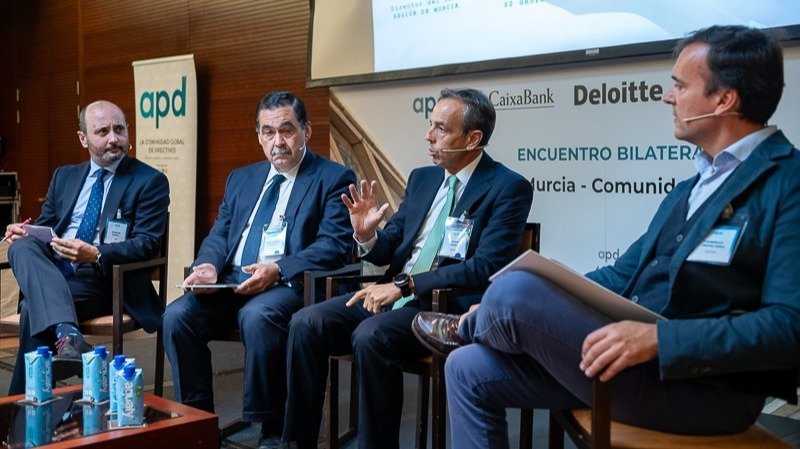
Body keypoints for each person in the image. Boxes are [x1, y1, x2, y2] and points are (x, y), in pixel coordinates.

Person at [413, 25, 800, 448]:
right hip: (633, 365)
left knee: (515, 293)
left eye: (680, 86)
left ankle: (479, 324)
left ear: (724, 100)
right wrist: (552, 289)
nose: (668, 97)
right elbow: (622, 274)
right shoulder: (692, 187)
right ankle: (481, 325)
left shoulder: (788, 182)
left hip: (701, 388)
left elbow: (789, 326)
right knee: (469, 364)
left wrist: (659, 338)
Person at [282, 88, 534, 449]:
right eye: (430, 124)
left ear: (473, 138)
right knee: (306, 323)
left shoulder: (508, 188)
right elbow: (393, 247)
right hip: (392, 293)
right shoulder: (423, 178)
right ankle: (297, 442)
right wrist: (367, 236)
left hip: (443, 307)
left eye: (441, 129)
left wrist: (406, 284)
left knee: (371, 336)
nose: (428, 136)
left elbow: (484, 267)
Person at [162, 91, 356, 448]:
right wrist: (207, 266)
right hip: (232, 281)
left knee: (258, 315)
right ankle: (199, 423)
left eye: (287, 130)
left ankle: (271, 429)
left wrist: (278, 269)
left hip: (290, 285)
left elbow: (333, 247)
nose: (278, 141)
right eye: (268, 132)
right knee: (177, 317)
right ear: (259, 136)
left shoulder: (333, 178)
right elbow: (221, 233)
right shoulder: (242, 178)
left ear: (306, 131)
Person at [5, 100, 170, 394]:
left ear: (129, 132)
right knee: (20, 247)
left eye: (119, 129)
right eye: (103, 131)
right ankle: (68, 334)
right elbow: (47, 228)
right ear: (83, 138)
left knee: (33, 307)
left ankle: (22, 411)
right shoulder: (64, 176)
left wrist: (95, 254)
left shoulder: (150, 181)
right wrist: (23, 231)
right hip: (57, 273)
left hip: (104, 280)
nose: (113, 139)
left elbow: (146, 244)